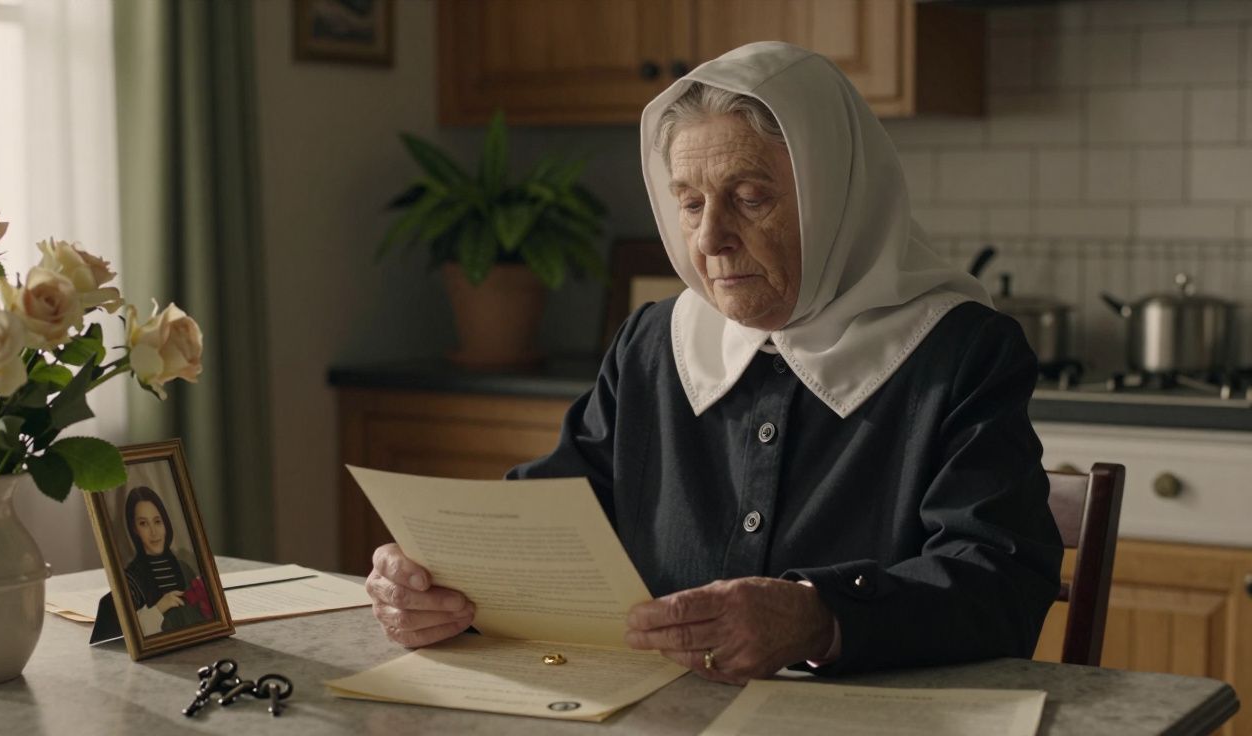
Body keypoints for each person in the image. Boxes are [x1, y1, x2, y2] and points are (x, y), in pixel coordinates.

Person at [365, 42, 1062, 682]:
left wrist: (819, 616)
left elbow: (1000, 581)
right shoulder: (653, 342)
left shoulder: (961, 351)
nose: (709, 238)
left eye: (750, 198)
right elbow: (551, 521)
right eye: (690, 203)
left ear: (838, 197)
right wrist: (436, 581)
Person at [122, 485, 212, 635]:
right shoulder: (130, 579)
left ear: (165, 523)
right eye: (143, 523)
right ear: (135, 529)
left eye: (157, 521)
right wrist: (159, 608)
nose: (154, 532)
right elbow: (131, 631)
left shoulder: (184, 568)